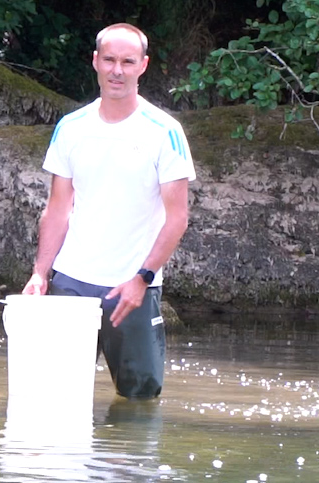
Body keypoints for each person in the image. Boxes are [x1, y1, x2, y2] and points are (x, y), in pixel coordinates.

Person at [22, 23, 195, 400]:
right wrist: (40, 274)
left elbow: (177, 217)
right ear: (95, 62)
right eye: (110, 60)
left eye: (128, 62)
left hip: (132, 286)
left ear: (143, 66)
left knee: (140, 398)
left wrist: (142, 278)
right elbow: (57, 208)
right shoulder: (71, 127)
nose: (118, 70)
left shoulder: (165, 131)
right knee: (55, 395)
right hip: (71, 282)